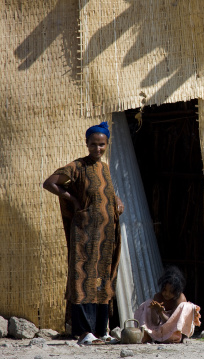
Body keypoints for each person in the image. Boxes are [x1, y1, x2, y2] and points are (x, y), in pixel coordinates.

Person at [43, 121, 124, 345]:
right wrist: (73, 199)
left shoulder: (105, 168)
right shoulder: (77, 168)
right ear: (87, 144)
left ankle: (101, 330)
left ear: (107, 144)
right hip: (85, 234)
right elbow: (50, 183)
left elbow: (106, 193)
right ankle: (83, 332)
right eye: (93, 144)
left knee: (102, 280)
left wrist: (117, 201)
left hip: (106, 236)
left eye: (102, 144)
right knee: (82, 279)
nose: (98, 148)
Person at [134, 266, 201, 343]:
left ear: (176, 292)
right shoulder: (158, 297)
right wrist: (154, 310)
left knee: (187, 306)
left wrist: (161, 313)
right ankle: (147, 335)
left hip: (175, 331)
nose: (167, 294)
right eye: (165, 290)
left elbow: (172, 323)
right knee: (147, 303)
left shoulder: (180, 299)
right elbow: (155, 322)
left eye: (171, 292)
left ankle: (184, 337)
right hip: (161, 330)